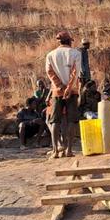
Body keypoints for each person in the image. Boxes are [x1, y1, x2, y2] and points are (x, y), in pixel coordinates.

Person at [45, 30, 81, 158]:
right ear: (69, 41)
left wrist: (60, 86)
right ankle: (69, 150)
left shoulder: (50, 55)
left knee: (55, 121)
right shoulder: (76, 53)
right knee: (71, 120)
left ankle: (55, 151)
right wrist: (68, 88)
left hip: (56, 92)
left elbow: (49, 72)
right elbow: (75, 72)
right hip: (72, 92)